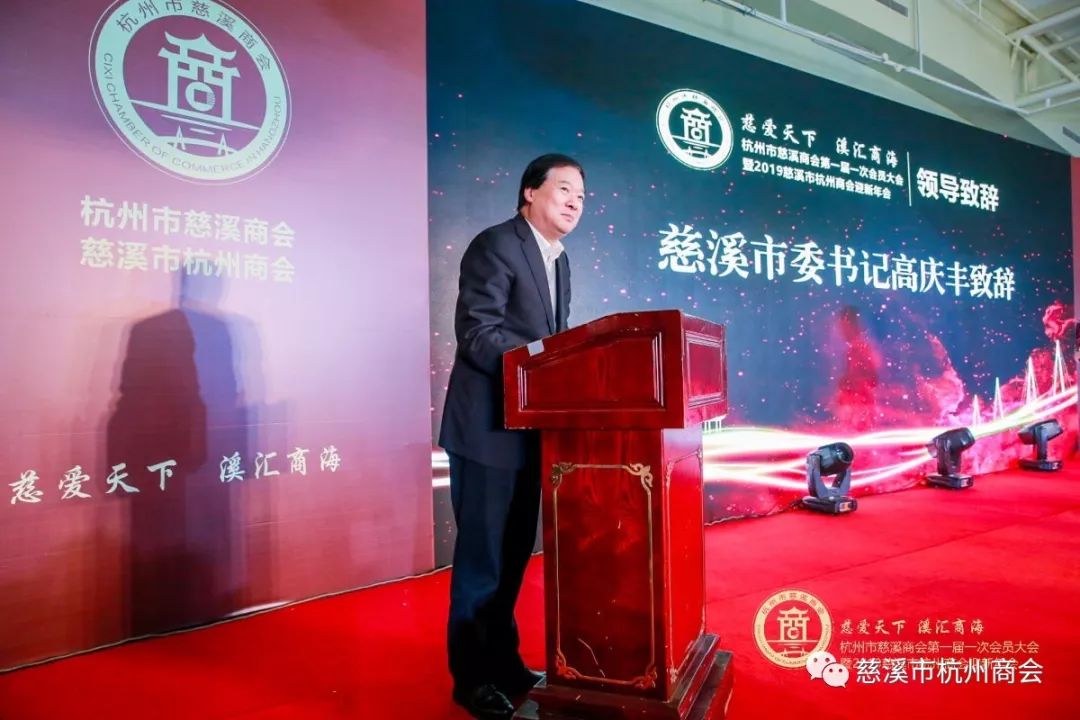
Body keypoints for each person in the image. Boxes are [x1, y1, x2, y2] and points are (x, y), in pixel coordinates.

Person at [440, 153, 585, 719]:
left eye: (581, 195)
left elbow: (556, 338)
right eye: (565, 189)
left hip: (529, 433)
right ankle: (471, 679)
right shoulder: (496, 244)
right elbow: (478, 333)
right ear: (530, 191)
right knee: (483, 560)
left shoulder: (559, 260)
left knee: (515, 554)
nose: (575, 202)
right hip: (486, 430)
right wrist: (548, 363)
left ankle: (503, 662)